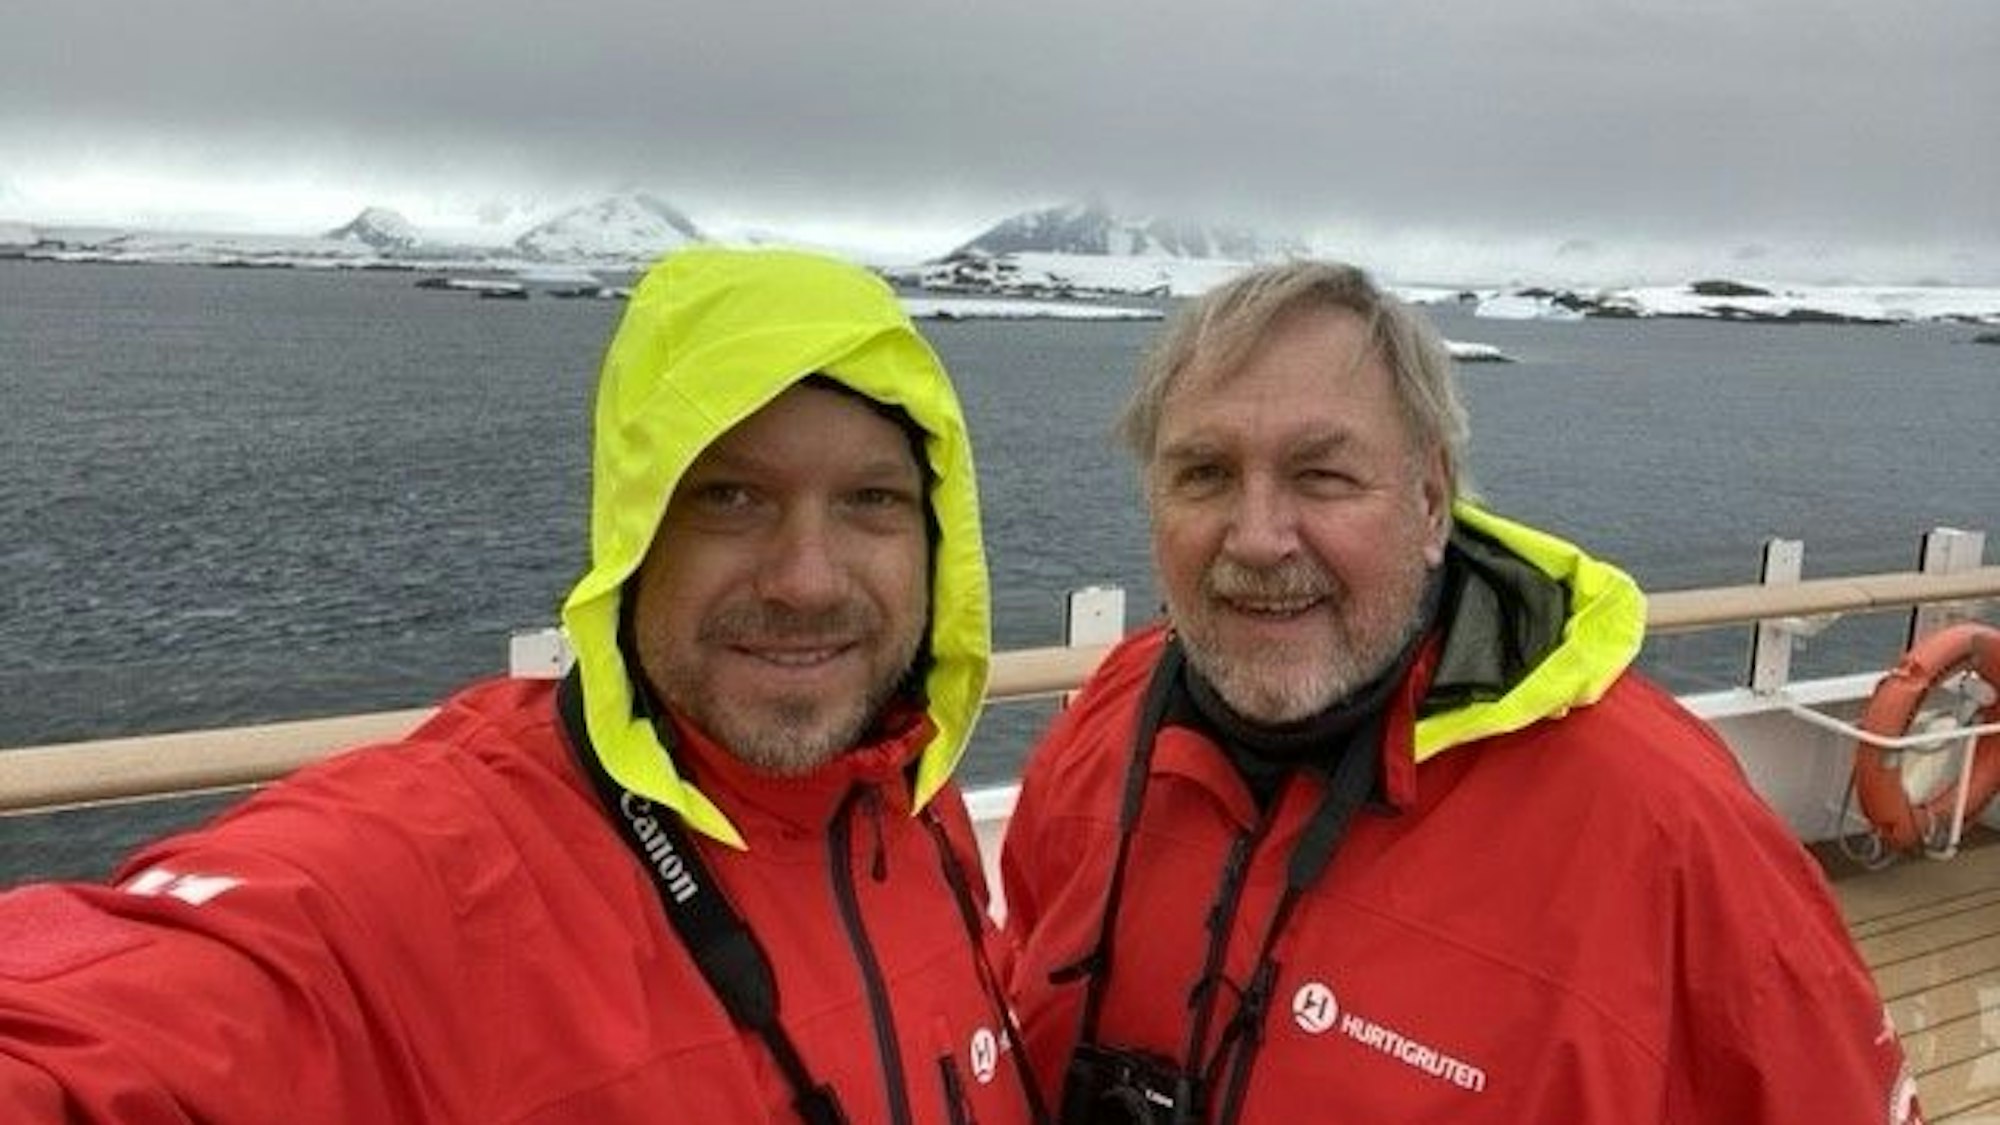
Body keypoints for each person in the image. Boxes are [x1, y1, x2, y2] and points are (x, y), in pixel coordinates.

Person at [0, 246, 1043, 1124]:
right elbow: (119, 1029)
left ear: (937, 540)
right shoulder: (446, 867)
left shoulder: (909, 800)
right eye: (727, 495)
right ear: (631, 536)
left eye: (871, 499)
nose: (807, 579)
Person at [998, 260, 1920, 1124]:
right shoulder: (1108, 726)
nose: (1258, 536)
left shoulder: (1664, 823)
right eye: (1204, 474)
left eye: (1322, 474)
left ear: (1431, 500)